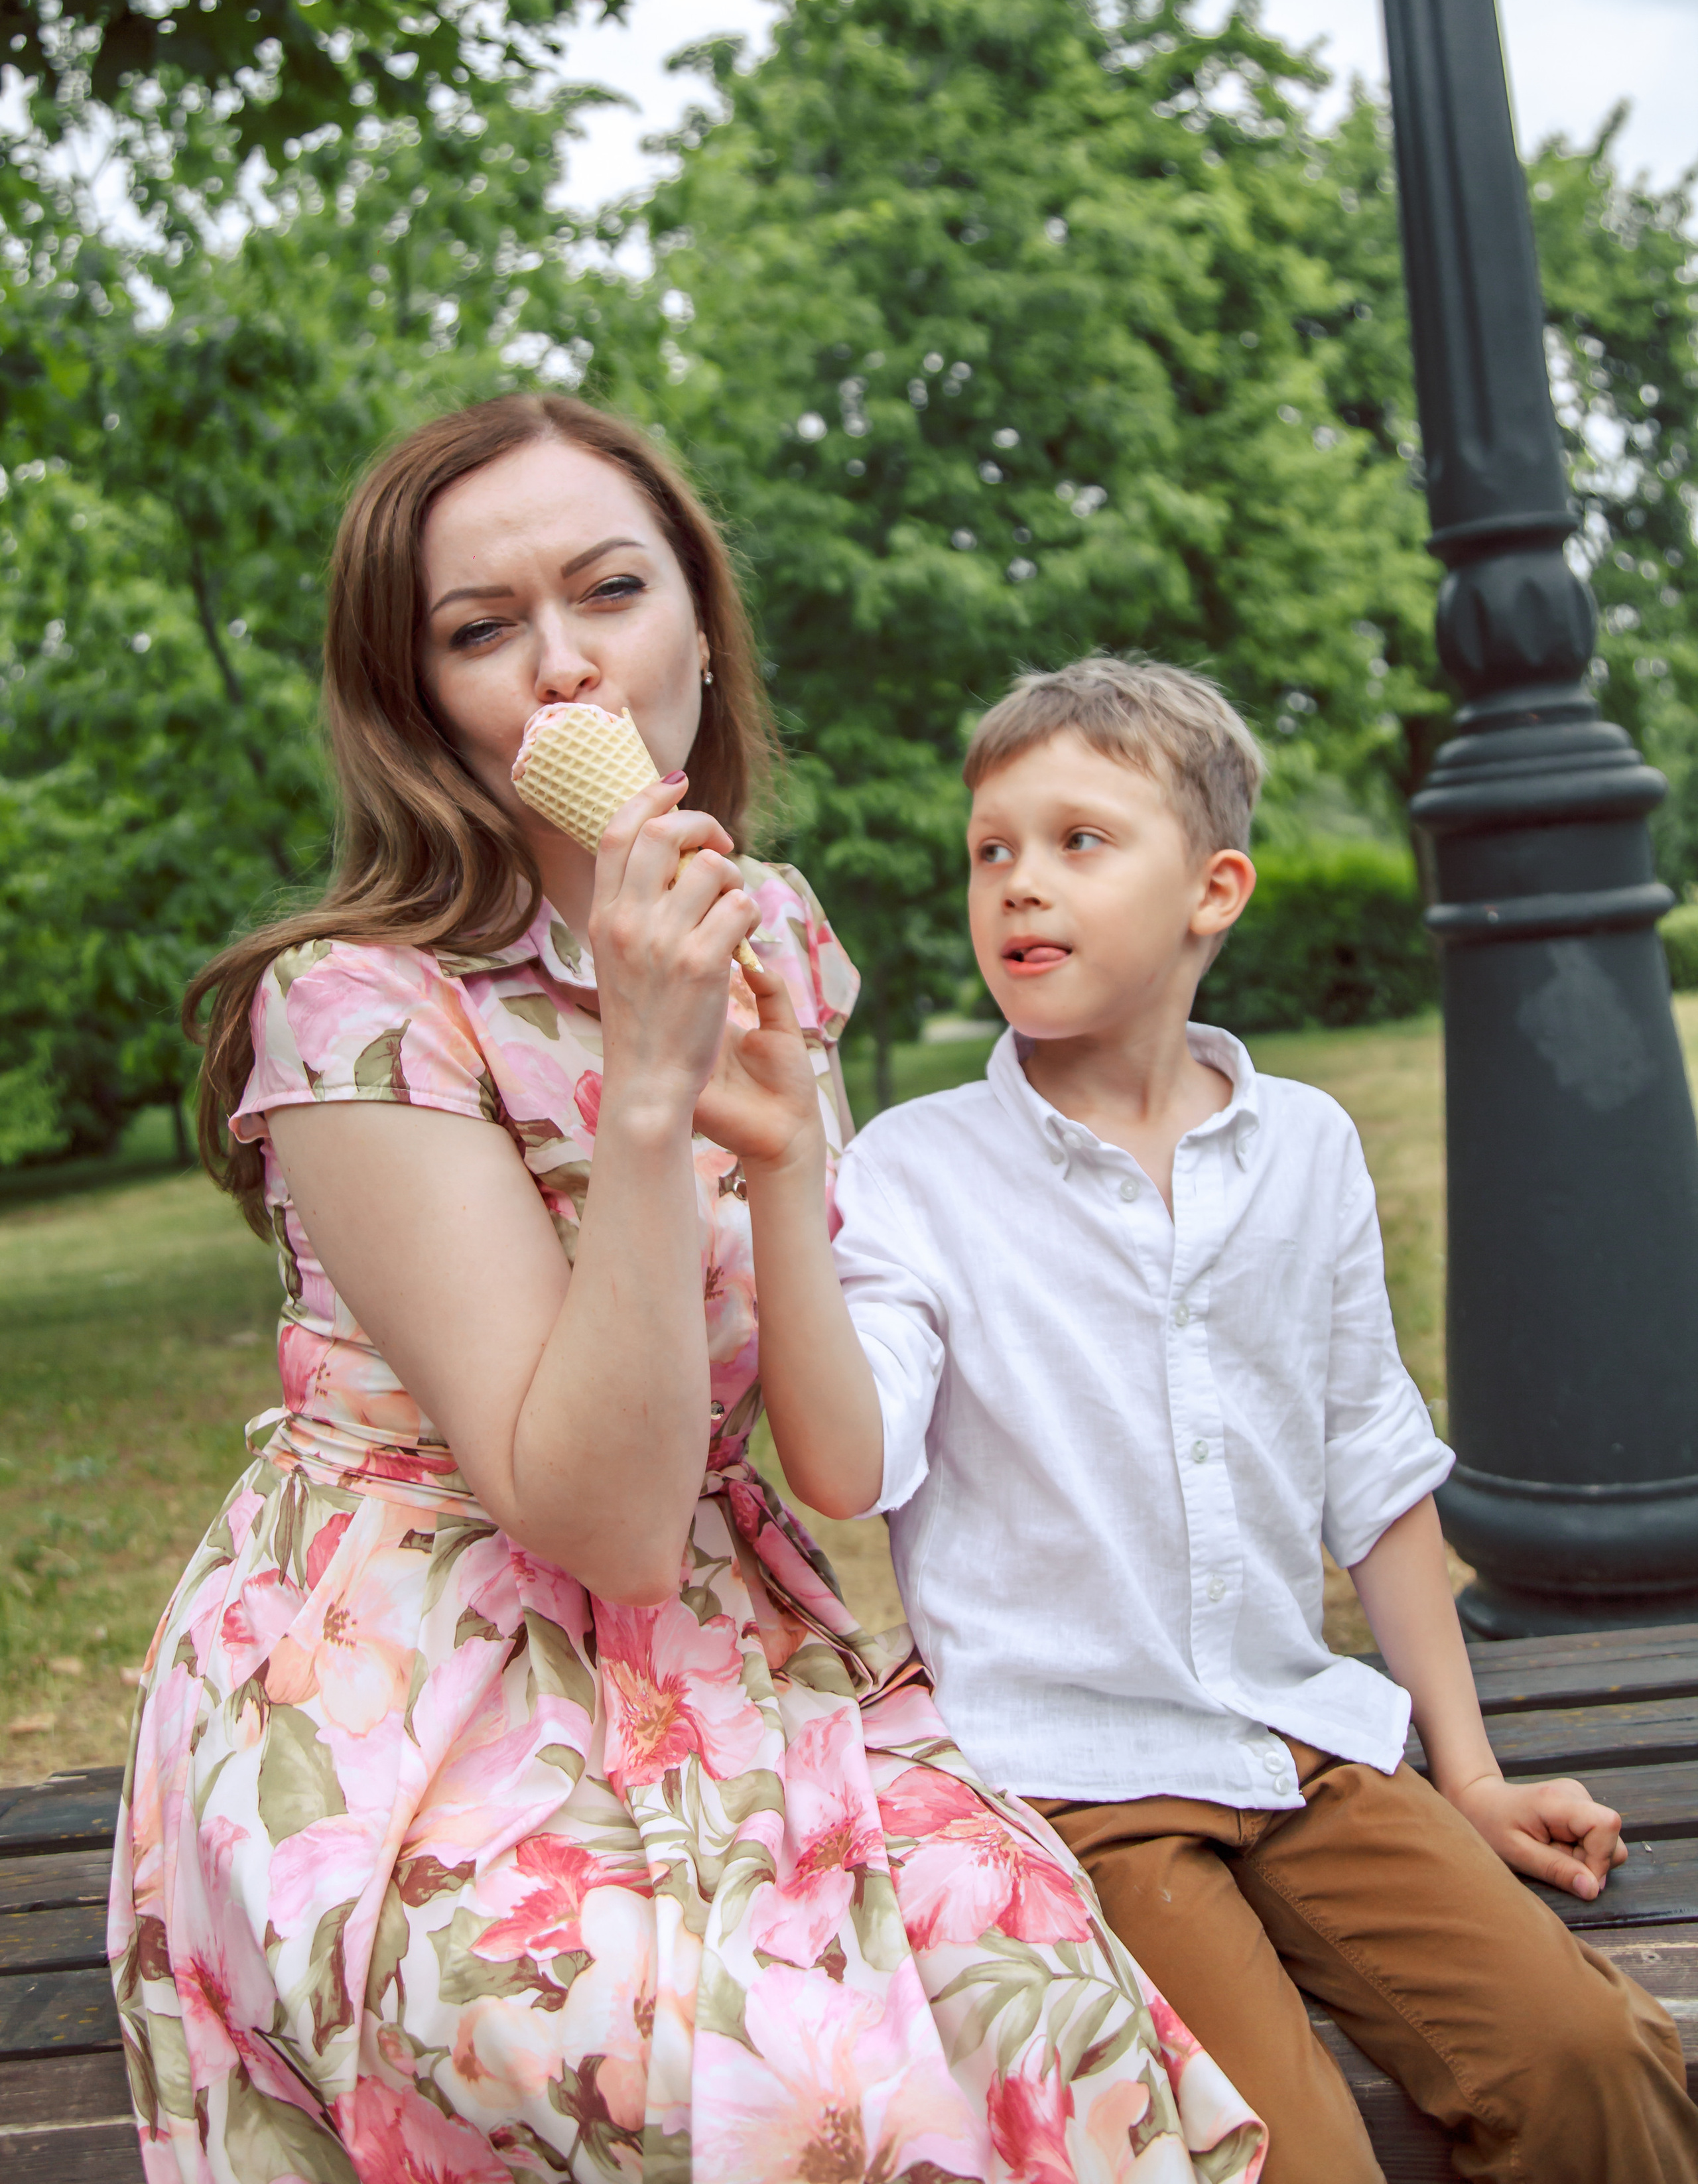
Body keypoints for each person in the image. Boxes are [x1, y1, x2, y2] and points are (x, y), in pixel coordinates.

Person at [107, 404, 1268, 2184]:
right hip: (429, 1658)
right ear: (416, 702)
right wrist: (646, 1098)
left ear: (703, 639)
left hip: (739, 1640)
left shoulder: (776, 932)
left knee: (1038, 1986)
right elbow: (599, 1521)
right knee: (738, 2087)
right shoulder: (353, 1009)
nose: (565, 665)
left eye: (611, 593)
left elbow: (823, 1370)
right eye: (480, 630)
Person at [750, 653, 1698, 2183]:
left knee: (1589, 2062)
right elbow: (848, 1468)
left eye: (1077, 841)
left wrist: (1462, 1776)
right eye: (990, 849)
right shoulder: (918, 1171)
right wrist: (786, 1176)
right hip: (1074, 1776)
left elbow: (1369, 1467)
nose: (1018, 886)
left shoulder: (1303, 1147)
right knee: (1285, 2154)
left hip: (1294, 1739)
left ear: (1212, 889)